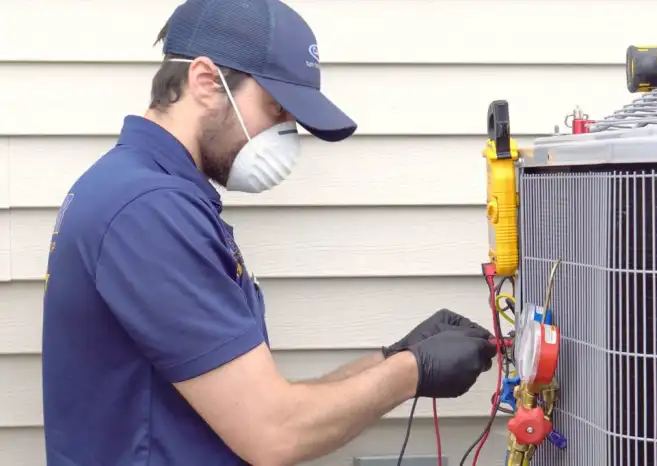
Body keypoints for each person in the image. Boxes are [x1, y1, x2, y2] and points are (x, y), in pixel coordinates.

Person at [41, 0, 497, 465]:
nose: (285, 134)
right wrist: (411, 373)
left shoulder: (143, 191)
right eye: (276, 108)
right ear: (204, 82)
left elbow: (263, 402)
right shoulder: (150, 210)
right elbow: (274, 433)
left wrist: (391, 358)